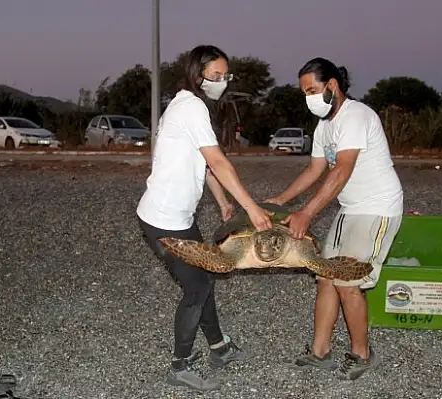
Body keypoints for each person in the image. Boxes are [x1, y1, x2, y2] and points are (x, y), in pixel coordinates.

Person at [136, 44, 273, 391]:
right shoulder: (192, 107)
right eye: (215, 75)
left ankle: (219, 348)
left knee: (206, 276)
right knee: (197, 287)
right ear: (198, 75)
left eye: (225, 76)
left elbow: (204, 163)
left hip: (178, 217)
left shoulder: (184, 104)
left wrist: (223, 201)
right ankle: (179, 366)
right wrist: (252, 208)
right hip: (163, 220)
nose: (221, 82)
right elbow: (220, 162)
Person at [265, 58, 403, 380]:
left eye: (312, 90)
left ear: (332, 86)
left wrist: (306, 213)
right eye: (304, 93)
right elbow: (315, 169)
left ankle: (362, 354)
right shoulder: (324, 125)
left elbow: (341, 169)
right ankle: (320, 352)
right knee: (325, 276)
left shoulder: (355, 115)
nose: (308, 97)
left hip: (377, 207)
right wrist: (282, 200)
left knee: (347, 282)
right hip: (350, 207)